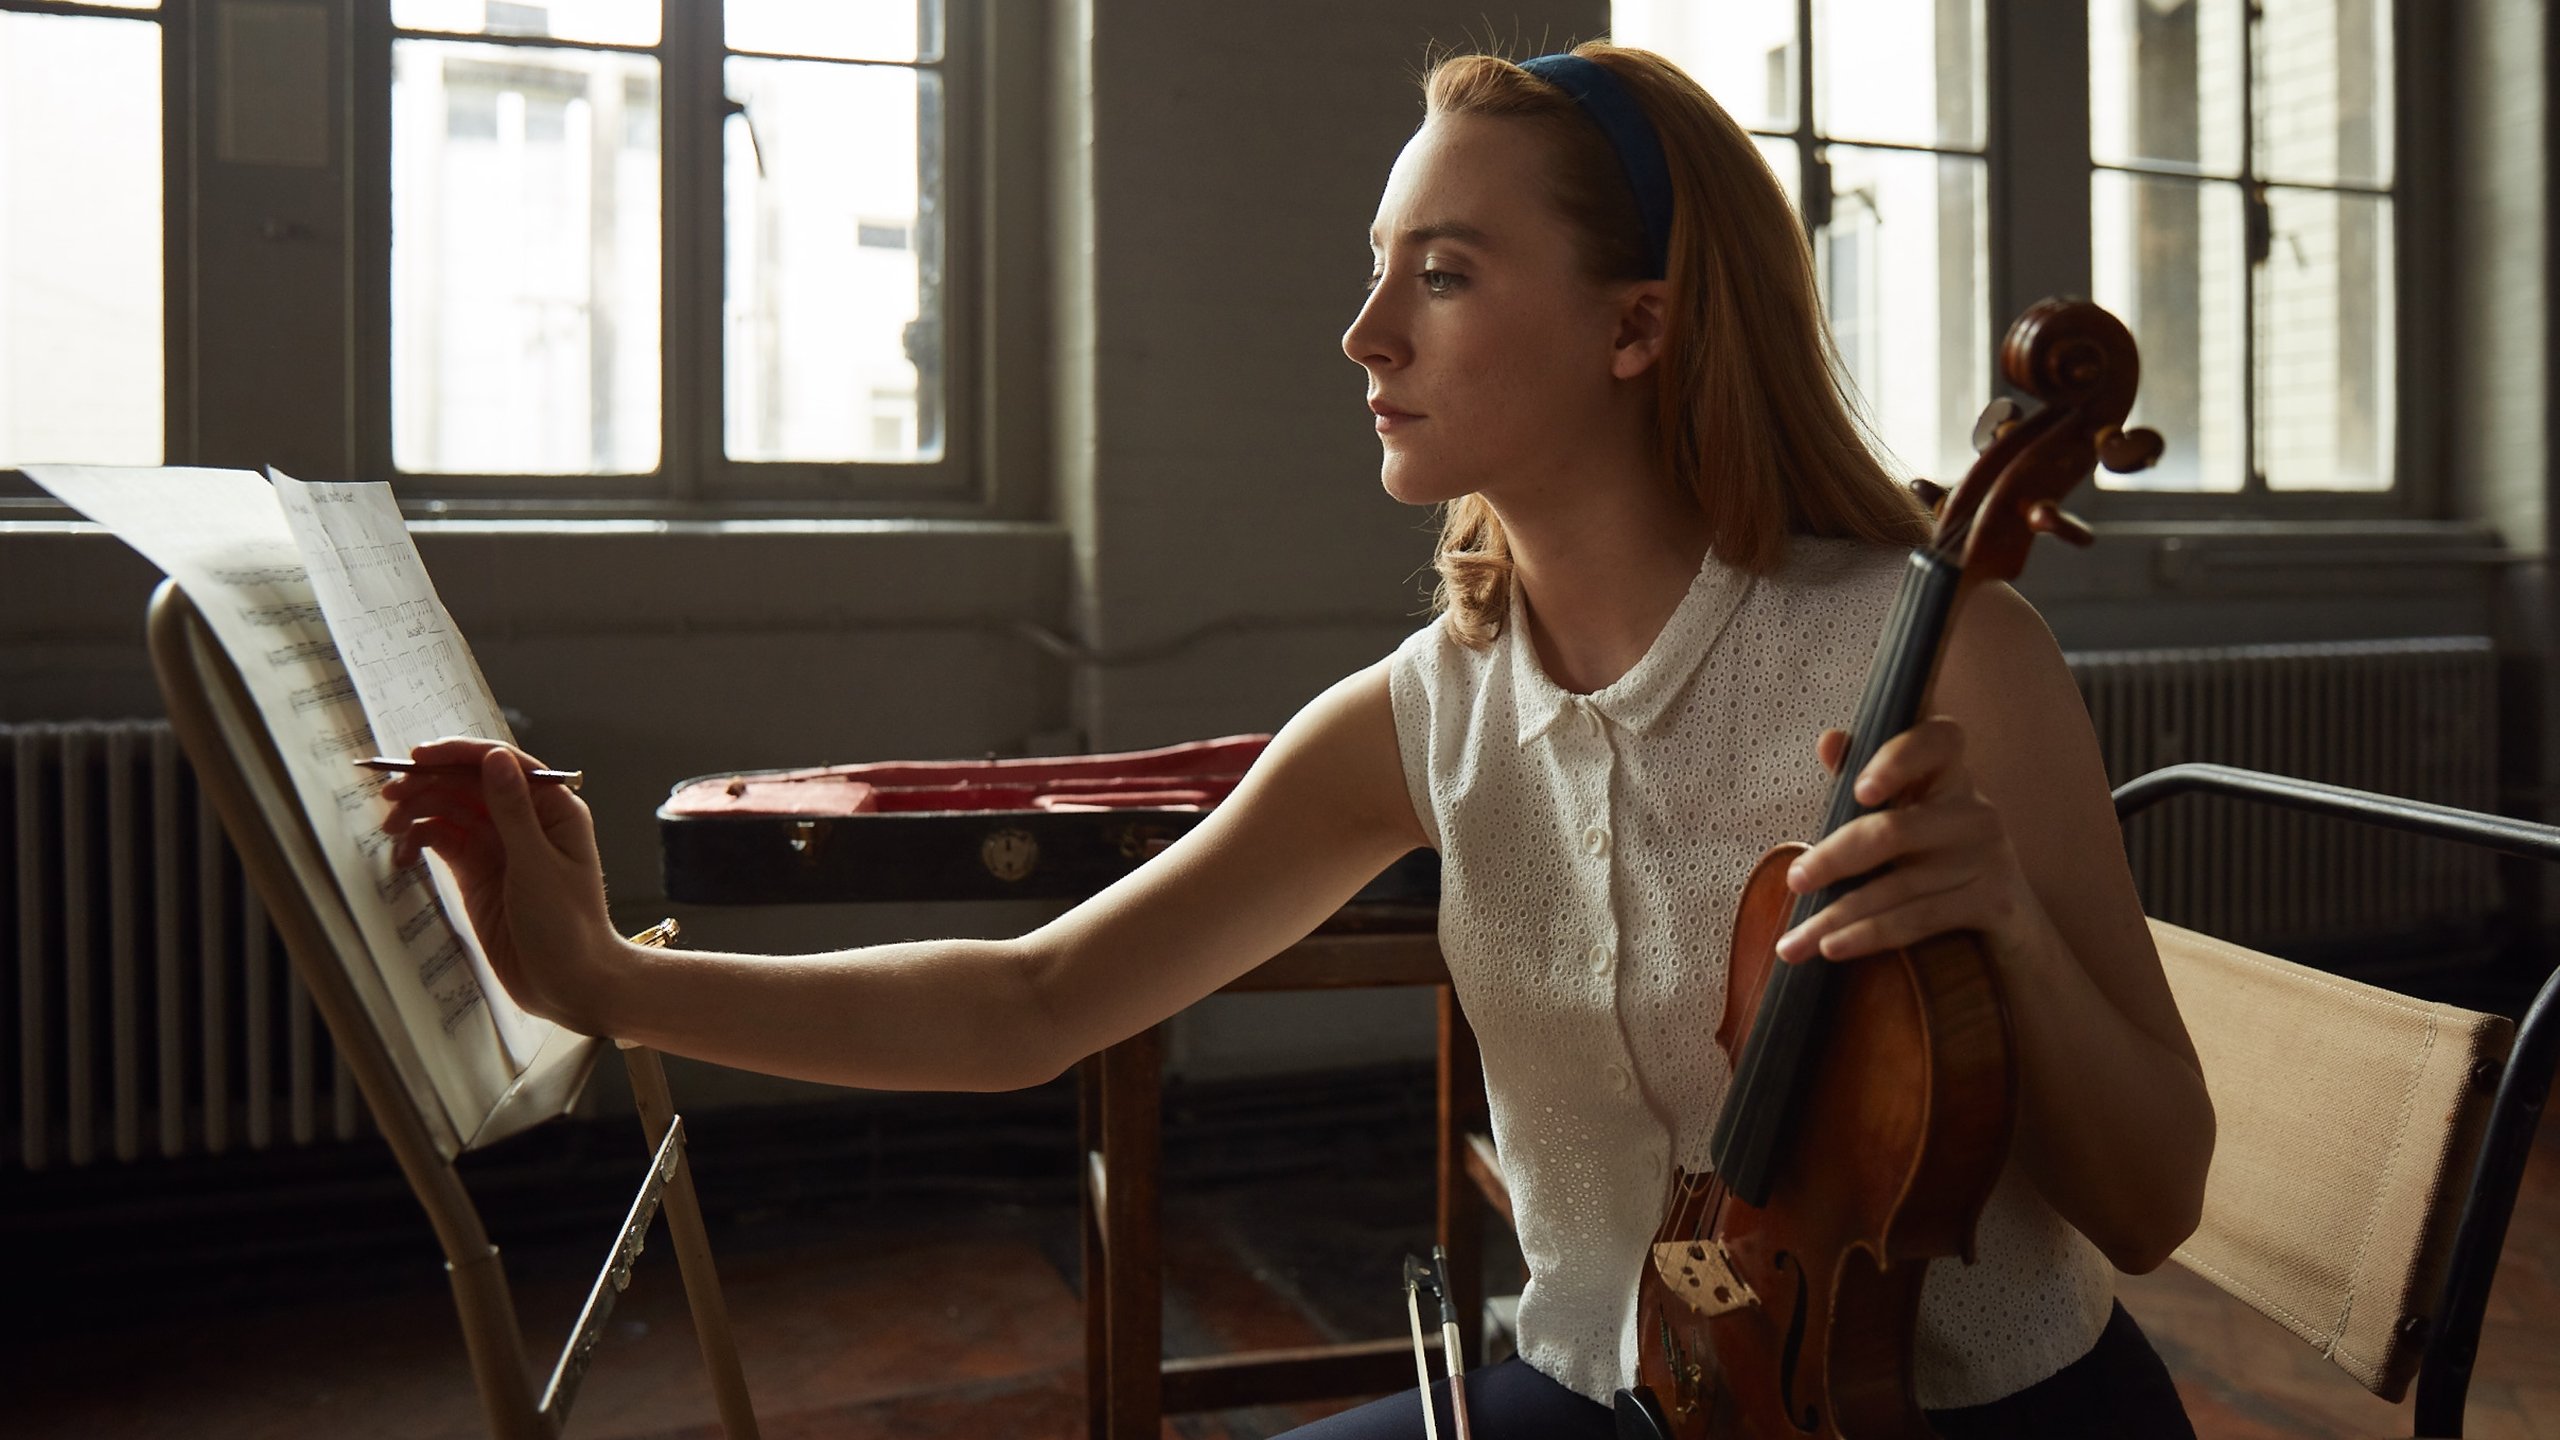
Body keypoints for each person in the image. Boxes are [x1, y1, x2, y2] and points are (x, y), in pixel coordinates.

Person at [382, 42, 2212, 1440]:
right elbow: (1029, 1005)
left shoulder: (1949, 653)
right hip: (1607, 1401)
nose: (1360, 335)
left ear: (1639, 326)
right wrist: (607, 981)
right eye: (1379, 268)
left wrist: (2024, 947)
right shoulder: (1426, 715)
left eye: (1443, 274)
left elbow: (2152, 1201)